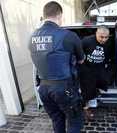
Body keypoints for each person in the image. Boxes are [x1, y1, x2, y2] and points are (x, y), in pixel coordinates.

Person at [28, 2, 84, 133]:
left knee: (57, 119)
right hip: (64, 88)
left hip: (43, 89)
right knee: (74, 120)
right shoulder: (69, 36)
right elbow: (81, 60)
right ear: (59, 15)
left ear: (44, 15)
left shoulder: (31, 37)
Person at [79, 26, 111, 118]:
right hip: (86, 69)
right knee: (87, 90)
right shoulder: (87, 41)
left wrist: (105, 65)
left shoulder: (109, 43)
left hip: (99, 68)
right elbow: (77, 51)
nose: (104, 39)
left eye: (106, 37)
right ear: (96, 33)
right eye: (101, 37)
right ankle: (85, 108)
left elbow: (108, 55)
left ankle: (94, 94)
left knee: (103, 82)